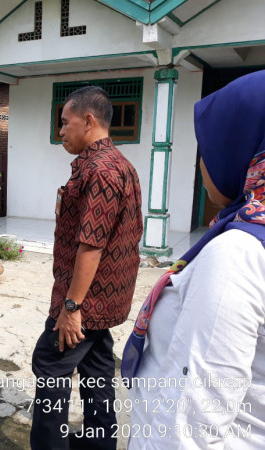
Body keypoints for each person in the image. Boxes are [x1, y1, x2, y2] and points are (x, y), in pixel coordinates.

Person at [123, 70, 265, 449]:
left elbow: (188, 431)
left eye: (209, 148)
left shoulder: (236, 256)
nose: (201, 163)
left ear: (241, 150)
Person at [30, 86, 143, 450]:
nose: (61, 131)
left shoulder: (101, 171)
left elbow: (91, 245)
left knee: (51, 365)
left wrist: (71, 308)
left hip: (85, 302)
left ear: (89, 121)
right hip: (105, 301)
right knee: (95, 369)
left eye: (65, 123)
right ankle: (99, 442)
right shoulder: (120, 164)